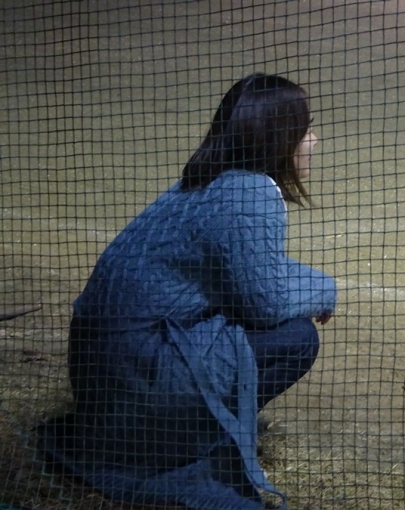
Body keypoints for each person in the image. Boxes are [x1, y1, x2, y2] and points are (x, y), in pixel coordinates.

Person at [39, 73, 336, 510]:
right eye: (306, 130)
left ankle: (171, 428)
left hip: (105, 363)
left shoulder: (209, 179)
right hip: (136, 367)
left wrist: (316, 285)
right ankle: (178, 445)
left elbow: (255, 271)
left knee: (257, 321)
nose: (314, 140)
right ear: (281, 137)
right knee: (297, 338)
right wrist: (325, 290)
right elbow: (264, 303)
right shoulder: (249, 191)